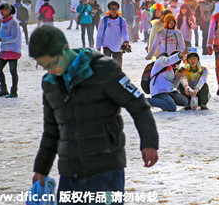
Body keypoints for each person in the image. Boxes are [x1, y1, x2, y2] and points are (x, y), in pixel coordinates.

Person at [29, 25, 158, 203]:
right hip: (70, 171)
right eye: (45, 67)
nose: (50, 70)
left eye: (53, 64)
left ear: (65, 50)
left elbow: (138, 105)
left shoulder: (104, 70)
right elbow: (51, 130)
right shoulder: (50, 83)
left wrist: (149, 143)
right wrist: (41, 168)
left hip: (106, 169)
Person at [0, 3, 22, 98]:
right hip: (5, 50)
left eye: (2, 11)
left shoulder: (14, 23)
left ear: (8, 11)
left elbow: (14, 38)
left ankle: (14, 91)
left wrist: (2, 39)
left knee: (12, 71)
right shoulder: (4, 23)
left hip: (13, 50)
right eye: (0, 11)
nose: (1, 13)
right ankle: (3, 90)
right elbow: (0, 35)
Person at [96, 1, 130, 67]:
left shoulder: (122, 20)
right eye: (112, 8)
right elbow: (100, 33)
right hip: (106, 45)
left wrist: (126, 41)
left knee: (117, 67)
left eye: (116, 8)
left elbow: (124, 32)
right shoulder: (104, 20)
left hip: (118, 46)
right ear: (109, 9)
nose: (114, 10)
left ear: (118, 9)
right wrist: (98, 46)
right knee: (107, 65)